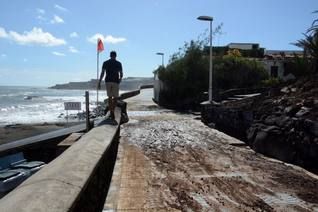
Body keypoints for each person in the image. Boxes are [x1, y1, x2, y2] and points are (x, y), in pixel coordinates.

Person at [98, 51, 123, 120]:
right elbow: (121, 73)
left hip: (108, 81)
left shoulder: (105, 63)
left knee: (109, 97)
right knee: (115, 97)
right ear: (116, 56)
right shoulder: (118, 63)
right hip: (115, 81)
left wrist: (100, 81)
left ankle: (111, 112)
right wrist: (120, 79)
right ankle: (112, 111)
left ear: (110, 55)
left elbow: (102, 73)